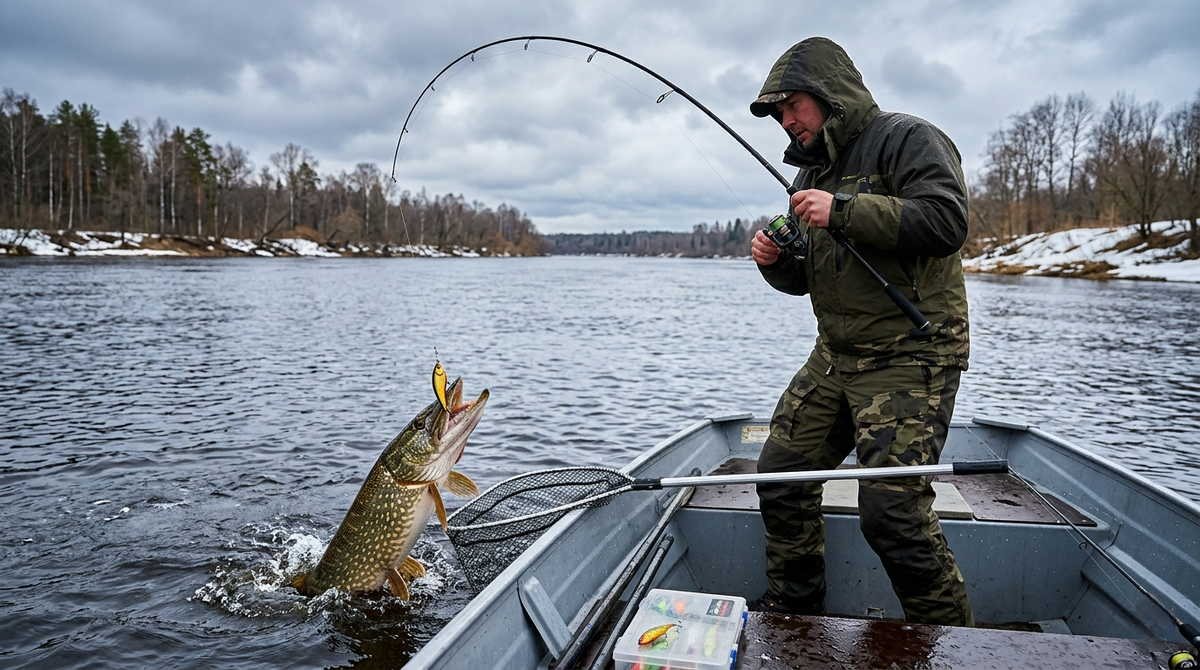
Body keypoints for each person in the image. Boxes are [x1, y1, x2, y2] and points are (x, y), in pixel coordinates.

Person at [747, 37, 974, 627]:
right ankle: (794, 611)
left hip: (912, 352)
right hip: (837, 355)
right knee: (779, 476)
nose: (786, 120)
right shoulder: (810, 171)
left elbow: (947, 221)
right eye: (778, 112)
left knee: (892, 512)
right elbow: (813, 278)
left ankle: (954, 644)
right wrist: (777, 263)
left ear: (830, 95)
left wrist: (843, 208)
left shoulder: (908, 138)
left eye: (793, 104)